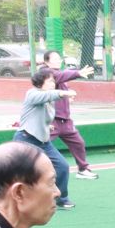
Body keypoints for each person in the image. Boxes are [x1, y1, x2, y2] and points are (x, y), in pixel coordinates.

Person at [14, 68, 76, 210]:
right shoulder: (32, 93)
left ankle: (60, 198)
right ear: (40, 82)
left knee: (62, 166)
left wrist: (47, 126)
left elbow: (40, 114)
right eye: (50, 81)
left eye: (54, 81)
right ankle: (17, 199)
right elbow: (45, 97)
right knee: (25, 173)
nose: (53, 84)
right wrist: (64, 93)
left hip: (43, 142)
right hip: (26, 139)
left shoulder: (50, 100)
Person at [39, 50, 99, 179]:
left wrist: (68, 96)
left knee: (78, 143)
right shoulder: (46, 73)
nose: (58, 61)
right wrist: (78, 73)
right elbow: (60, 76)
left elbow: (62, 81)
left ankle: (83, 169)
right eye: (55, 59)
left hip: (65, 120)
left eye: (59, 59)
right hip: (51, 120)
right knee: (39, 145)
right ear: (46, 62)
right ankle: (30, 171)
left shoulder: (60, 74)